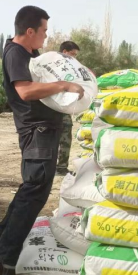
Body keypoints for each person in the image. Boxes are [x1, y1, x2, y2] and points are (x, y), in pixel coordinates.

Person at [0, 6, 84, 275]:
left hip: (44, 130)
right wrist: (63, 84)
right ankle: (5, 257)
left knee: (32, 186)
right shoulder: (16, 54)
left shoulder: (29, 53)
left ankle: (2, 231)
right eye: (43, 31)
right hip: (37, 132)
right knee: (36, 191)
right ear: (29, 31)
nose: (46, 36)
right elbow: (25, 91)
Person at [56, 41, 81, 176]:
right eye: (73, 54)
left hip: (65, 109)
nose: (74, 57)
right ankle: (50, 167)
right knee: (51, 139)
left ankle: (62, 167)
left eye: (76, 55)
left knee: (66, 138)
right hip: (52, 108)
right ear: (64, 52)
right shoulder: (53, 67)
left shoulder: (72, 69)